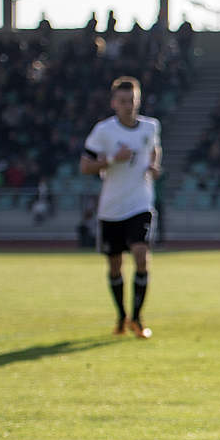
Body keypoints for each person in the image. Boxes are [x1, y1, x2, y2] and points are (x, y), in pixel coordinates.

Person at [79, 76, 162, 339]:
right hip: (112, 208)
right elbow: (85, 166)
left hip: (140, 203)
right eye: (123, 101)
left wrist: (153, 166)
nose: (129, 106)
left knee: (140, 255)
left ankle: (137, 318)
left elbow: (154, 149)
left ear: (138, 101)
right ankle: (121, 316)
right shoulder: (104, 131)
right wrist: (114, 159)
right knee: (115, 266)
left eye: (133, 101)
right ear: (114, 103)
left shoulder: (150, 126)